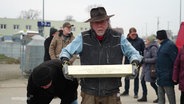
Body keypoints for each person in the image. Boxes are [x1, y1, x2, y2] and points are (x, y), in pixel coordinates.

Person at [60, 7, 142, 104]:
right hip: (89, 93)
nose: (100, 25)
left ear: (107, 21)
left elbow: (134, 53)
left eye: (102, 21)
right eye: (96, 22)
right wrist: (65, 63)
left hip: (112, 92)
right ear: (91, 24)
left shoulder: (118, 37)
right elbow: (66, 51)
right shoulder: (83, 38)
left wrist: (135, 64)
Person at [121, 27, 145, 98]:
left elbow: (143, 51)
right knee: (126, 77)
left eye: (135, 34)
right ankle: (126, 91)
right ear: (129, 34)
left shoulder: (140, 41)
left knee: (136, 77)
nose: (134, 35)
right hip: (127, 61)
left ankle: (136, 93)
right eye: (132, 34)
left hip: (136, 62)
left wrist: (142, 61)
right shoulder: (126, 41)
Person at [156, 30, 178, 104]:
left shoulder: (170, 45)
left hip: (167, 77)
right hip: (160, 76)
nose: (157, 40)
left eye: (157, 38)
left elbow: (175, 61)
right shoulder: (162, 46)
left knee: (171, 99)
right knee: (161, 99)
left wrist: (174, 76)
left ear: (160, 38)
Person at [137, 35, 159, 103]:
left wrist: (145, 60)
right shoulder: (147, 47)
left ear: (150, 41)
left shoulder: (153, 48)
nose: (145, 41)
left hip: (151, 69)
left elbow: (155, 59)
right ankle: (144, 96)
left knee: (152, 83)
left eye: (147, 40)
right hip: (145, 68)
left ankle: (159, 96)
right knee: (142, 82)